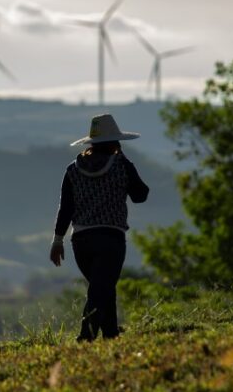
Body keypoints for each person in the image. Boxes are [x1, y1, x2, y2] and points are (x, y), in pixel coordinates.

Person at [50, 113, 149, 341]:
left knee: (103, 286)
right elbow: (140, 195)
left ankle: (111, 335)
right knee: (101, 289)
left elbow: (65, 208)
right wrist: (124, 159)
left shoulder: (73, 170)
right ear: (115, 142)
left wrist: (57, 241)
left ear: (92, 143)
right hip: (110, 238)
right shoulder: (121, 166)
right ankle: (86, 337)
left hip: (81, 241)